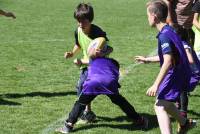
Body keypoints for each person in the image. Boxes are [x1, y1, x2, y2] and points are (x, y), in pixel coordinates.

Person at [56, 44, 148, 134]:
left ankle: (68, 126)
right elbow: (115, 75)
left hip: (93, 83)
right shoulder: (114, 62)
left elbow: (82, 60)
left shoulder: (92, 60)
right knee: (121, 102)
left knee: (80, 103)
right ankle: (139, 120)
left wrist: (78, 58)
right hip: (109, 83)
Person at [135, 0, 196, 133]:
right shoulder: (170, 30)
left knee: (159, 106)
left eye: (148, 15)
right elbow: (169, 56)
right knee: (166, 103)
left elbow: (168, 61)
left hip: (175, 73)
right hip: (180, 71)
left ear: (154, 16)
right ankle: (185, 123)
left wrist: (155, 84)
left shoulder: (164, 36)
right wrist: (147, 60)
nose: (147, 18)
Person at [64, 3, 112, 123]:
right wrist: (72, 53)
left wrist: (101, 53)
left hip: (99, 66)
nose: (80, 24)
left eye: (83, 21)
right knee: (83, 86)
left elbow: (109, 48)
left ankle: (87, 111)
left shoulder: (97, 33)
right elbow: (79, 44)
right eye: (78, 21)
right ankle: (87, 111)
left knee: (111, 93)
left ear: (90, 20)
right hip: (87, 64)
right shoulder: (78, 31)